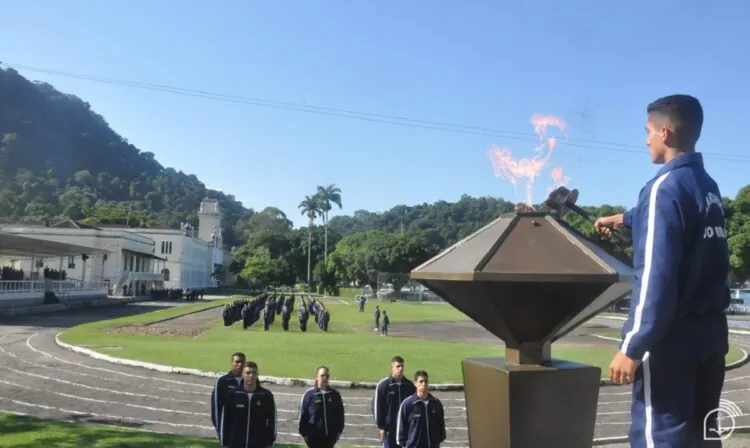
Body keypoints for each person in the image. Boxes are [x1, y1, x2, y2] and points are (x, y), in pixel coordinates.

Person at [594, 94, 730, 447]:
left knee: (662, 438)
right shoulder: (707, 187)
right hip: (711, 340)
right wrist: (622, 218)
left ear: (665, 134)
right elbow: (673, 216)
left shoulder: (662, 188)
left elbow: (657, 277)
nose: (646, 140)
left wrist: (632, 346)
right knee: (703, 437)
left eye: (648, 132)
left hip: (671, 346)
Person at [223, 361, 277, 448]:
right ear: (242, 375)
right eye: (248, 373)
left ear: (257, 375)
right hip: (236, 443)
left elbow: (272, 420)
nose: (251, 376)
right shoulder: (233, 394)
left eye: (254, 373)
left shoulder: (266, 395)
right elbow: (225, 419)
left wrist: (270, 441)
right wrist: (225, 441)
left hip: (258, 443)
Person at [372, 356, 415, 447]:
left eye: (402, 366)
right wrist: (381, 426)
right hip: (389, 429)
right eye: (398, 366)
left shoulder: (409, 386)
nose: (400, 369)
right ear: (392, 367)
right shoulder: (383, 385)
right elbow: (377, 407)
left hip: (405, 428)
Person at [396, 370, 446, 448]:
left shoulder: (436, 403)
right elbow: (401, 428)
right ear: (415, 383)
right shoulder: (407, 404)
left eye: (426, 381)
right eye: (421, 381)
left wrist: (436, 441)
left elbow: (441, 426)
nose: (424, 384)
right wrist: (404, 444)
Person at [298, 366, 346, 448]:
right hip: (313, 437)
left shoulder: (335, 394)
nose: (325, 378)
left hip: (330, 436)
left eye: (327, 376)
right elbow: (303, 414)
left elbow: (340, 414)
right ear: (316, 377)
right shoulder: (309, 394)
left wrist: (339, 431)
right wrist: (303, 433)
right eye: (322, 375)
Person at [211, 352, 246, 447]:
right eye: (237, 362)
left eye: (242, 362)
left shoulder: (250, 381)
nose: (240, 364)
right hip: (229, 430)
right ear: (232, 363)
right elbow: (216, 409)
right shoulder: (223, 382)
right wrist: (220, 431)